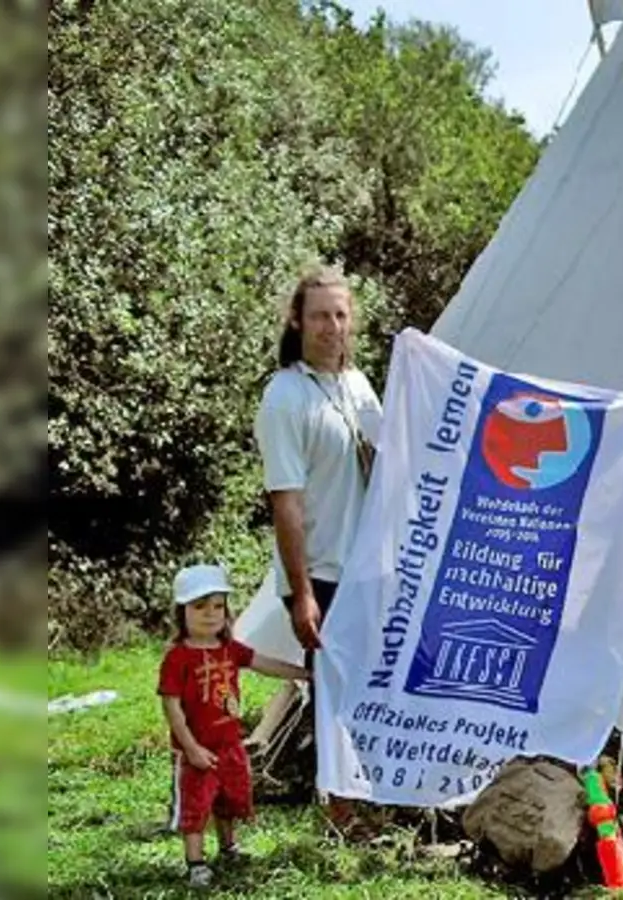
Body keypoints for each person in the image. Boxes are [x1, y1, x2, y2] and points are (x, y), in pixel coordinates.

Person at [255, 264, 382, 655]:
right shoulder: (285, 397)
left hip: (364, 570)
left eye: (340, 315)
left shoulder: (357, 384)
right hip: (320, 573)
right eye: (320, 316)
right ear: (297, 320)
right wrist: (302, 594)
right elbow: (286, 503)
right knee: (333, 687)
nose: (332, 327)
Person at [159, 564, 308, 888]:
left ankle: (228, 848)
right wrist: (191, 748)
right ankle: (195, 863)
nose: (210, 614)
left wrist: (304, 673)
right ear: (181, 612)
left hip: (229, 745)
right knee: (196, 805)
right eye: (200, 606)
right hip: (197, 750)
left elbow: (264, 664)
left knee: (228, 800)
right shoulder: (177, 658)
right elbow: (172, 708)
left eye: (218, 606)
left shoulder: (230, 649)